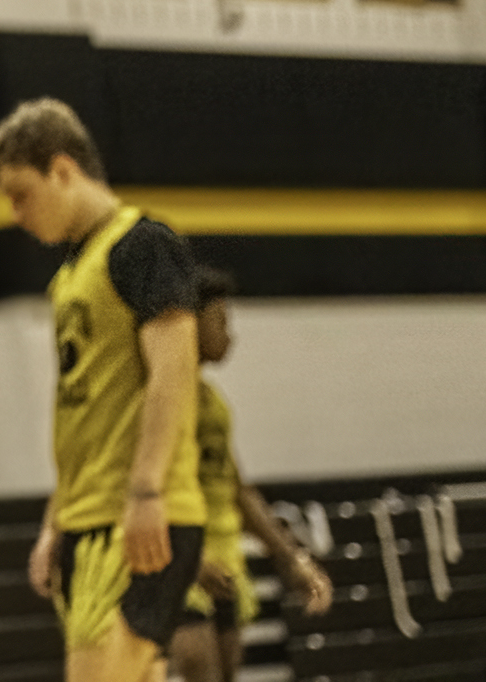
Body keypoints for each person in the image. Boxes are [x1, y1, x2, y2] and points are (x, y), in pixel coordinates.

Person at [0, 98, 206, 682]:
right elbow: (81, 415)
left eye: (20, 193)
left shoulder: (142, 246)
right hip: (89, 519)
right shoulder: (69, 277)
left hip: (135, 517)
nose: (14, 213)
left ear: (62, 170)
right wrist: (55, 522)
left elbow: (174, 374)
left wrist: (147, 492)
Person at [167, 266, 334, 682]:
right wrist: (186, 557)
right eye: (221, 321)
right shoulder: (158, 400)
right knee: (194, 664)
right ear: (189, 322)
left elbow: (238, 490)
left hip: (224, 562)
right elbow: (136, 490)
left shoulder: (213, 404)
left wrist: (292, 558)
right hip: (180, 564)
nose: (230, 334)